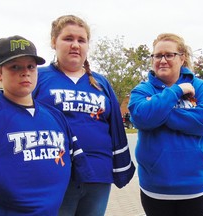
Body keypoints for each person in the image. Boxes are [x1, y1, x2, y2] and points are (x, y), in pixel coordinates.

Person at [0, 35, 93, 216]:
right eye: (15, 67)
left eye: (31, 66)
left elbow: (78, 162)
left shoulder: (55, 116)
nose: (25, 72)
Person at [32, 15, 135, 216]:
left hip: (98, 175)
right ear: (54, 42)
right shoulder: (37, 77)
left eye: (81, 40)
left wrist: (120, 168)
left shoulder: (101, 83)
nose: (75, 45)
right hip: (54, 175)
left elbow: (116, 129)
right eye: (68, 39)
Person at [128, 33, 203, 216]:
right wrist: (177, 91)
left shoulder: (200, 87)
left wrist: (157, 112)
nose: (162, 60)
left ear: (182, 58)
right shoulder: (143, 89)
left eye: (169, 55)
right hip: (156, 187)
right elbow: (141, 117)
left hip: (196, 186)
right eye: (157, 55)